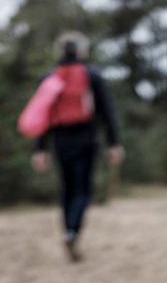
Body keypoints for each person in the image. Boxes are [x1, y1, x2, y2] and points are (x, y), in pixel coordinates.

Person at [31, 31, 124, 261]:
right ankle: (73, 231)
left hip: (61, 141)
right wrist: (114, 143)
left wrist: (40, 149)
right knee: (83, 189)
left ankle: (67, 230)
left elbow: (42, 116)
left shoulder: (49, 78)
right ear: (82, 50)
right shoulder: (92, 75)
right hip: (87, 138)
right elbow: (107, 111)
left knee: (67, 188)